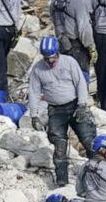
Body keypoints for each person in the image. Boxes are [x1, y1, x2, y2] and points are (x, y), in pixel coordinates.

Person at [29, 36, 96, 186]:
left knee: (88, 139)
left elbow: (80, 83)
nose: (50, 62)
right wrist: (34, 115)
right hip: (56, 109)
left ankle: (99, 175)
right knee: (59, 147)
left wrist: (82, 105)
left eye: (53, 58)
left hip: (75, 105)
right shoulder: (38, 69)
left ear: (58, 53)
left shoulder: (69, 62)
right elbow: (34, 92)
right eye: (47, 59)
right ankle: (62, 182)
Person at [50, 0, 97, 83]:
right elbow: (84, 28)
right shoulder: (77, 2)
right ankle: (81, 100)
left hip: (62, 45)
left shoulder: (54, 2)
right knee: (81, 80)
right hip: (77, 48)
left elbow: (54, 22)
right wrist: (91, 47)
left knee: (65, 79)